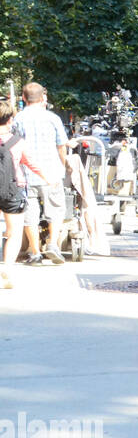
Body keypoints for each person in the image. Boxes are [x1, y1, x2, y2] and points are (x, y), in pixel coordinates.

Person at [14, 83, 69, 265]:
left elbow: (14, 146)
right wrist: (63, 164)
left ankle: (35, 252)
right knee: (55, 208)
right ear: (42, 98)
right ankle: (53, 244)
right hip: (51, 173)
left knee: (29, 212)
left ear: (24, 97)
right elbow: (61, 146)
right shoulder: (53, 118)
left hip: (27, 174)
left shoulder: (18, 119)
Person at [1, 100, 52, 288]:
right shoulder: (17, 142)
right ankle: (7, 268)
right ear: (10, 120)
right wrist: (48, 178)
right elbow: (32, 163)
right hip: (14, 189)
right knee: (13, 233)